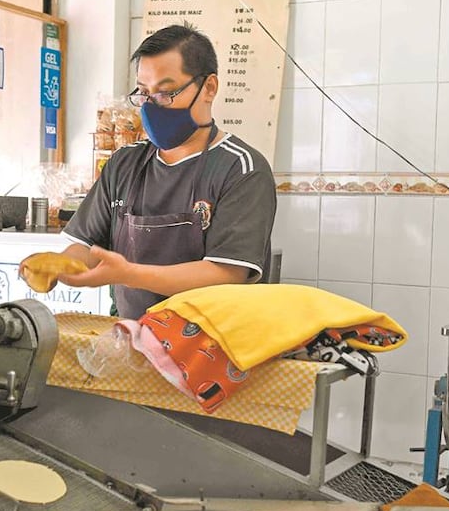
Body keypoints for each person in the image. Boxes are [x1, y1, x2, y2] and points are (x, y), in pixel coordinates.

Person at [43, 23, 276, 320]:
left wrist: (129, 274)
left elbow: (226, 273)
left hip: (212, 349)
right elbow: (85, 247)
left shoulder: (241, 168)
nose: (152, 106)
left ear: (209, 87)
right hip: (130, 338)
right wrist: (55, 265)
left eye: (166, 93)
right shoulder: (124, 164)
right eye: (144, 94)